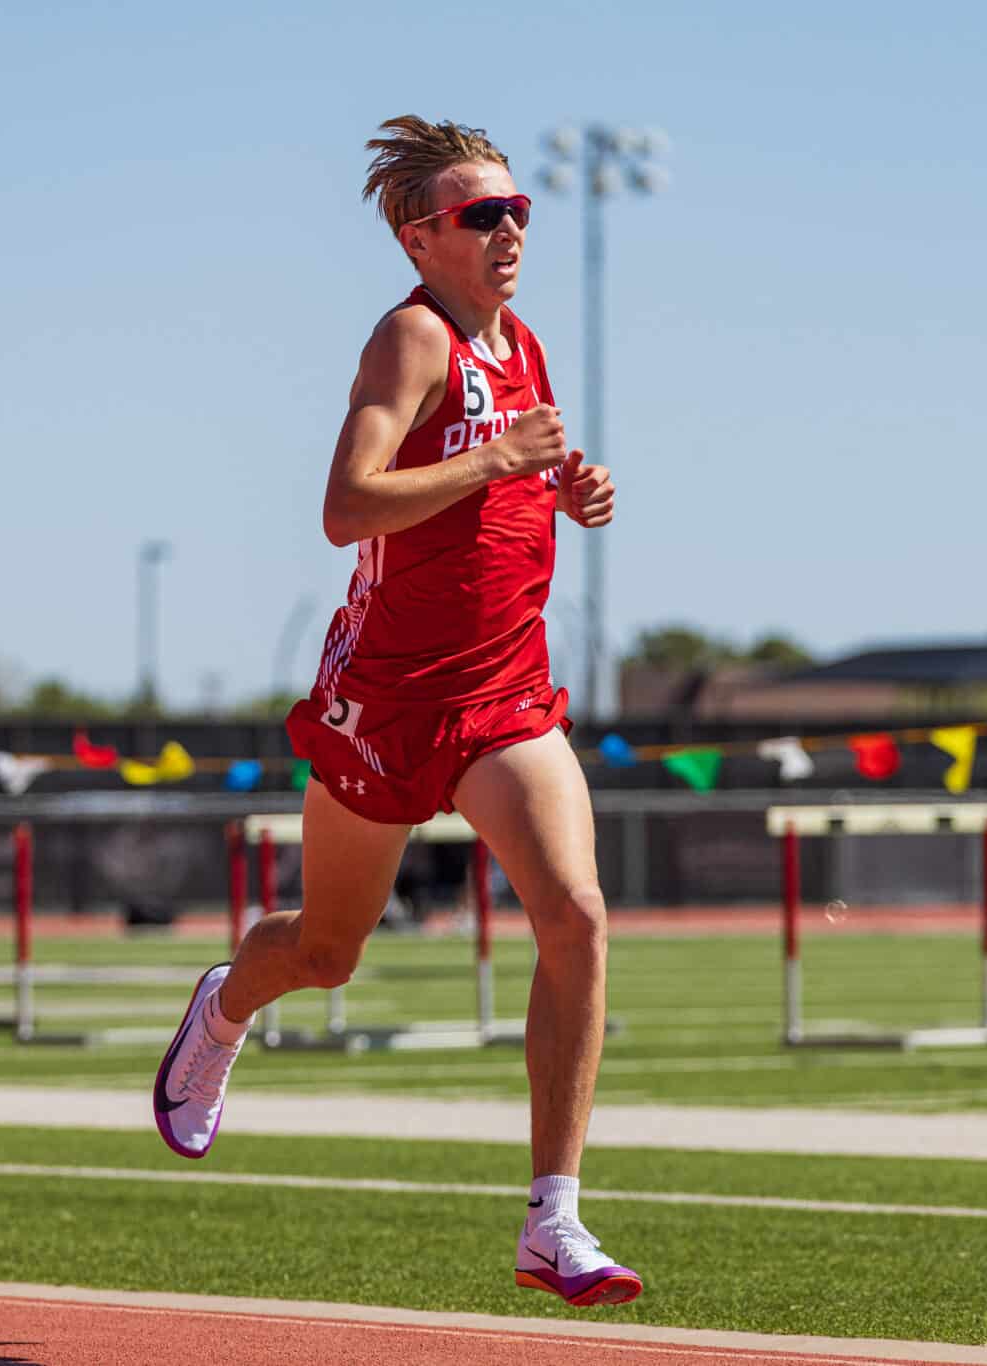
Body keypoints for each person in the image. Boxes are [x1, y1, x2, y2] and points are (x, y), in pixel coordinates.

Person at [152, 115, 640, 1308]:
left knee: (574, 913)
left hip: (503, 694)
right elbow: (346, 505)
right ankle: (225, 1006)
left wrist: (568, 487)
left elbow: (509, 478)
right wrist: (492, 460)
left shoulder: (521, 345)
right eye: (484, 214)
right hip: (383, 700)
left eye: (520, 209)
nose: (512, 227)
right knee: (327, 951)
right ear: (420, 238)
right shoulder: (409, 340)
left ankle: (553, 1218)